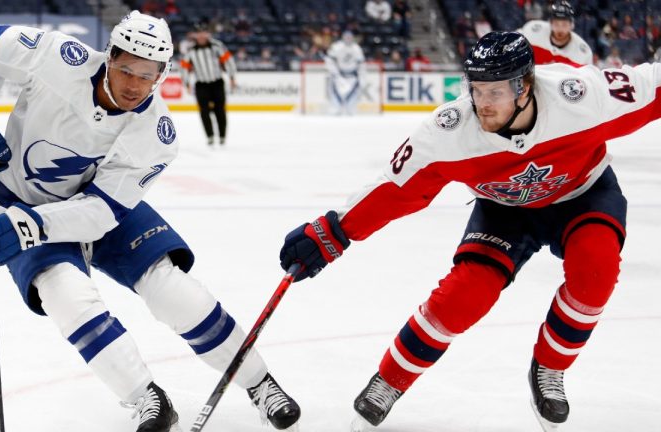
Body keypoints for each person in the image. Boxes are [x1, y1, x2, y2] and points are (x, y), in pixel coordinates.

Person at [279, 31, 661, 431]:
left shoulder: (581, 97)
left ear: (524, 86)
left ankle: (550, 367)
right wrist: (333, 232)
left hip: (583, 192)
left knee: (595, 274)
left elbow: (651, 84)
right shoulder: (450, 131)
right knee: (464, 295)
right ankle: (389, 380)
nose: (482, 103)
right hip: (505, 209)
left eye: (495, 92)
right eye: (476, 89)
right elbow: (393, 188)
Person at [0, 11, 300, 432]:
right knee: (68, 299)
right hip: (20, 197)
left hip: (99, 207)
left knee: (172, 290)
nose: (134, 85)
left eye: (147, 75)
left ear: (161, 75)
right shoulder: (61, 57)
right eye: (126, 69)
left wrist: (27, 227)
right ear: (109, 56)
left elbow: (99, 212)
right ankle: (146, 398)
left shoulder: (157, 133)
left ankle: (259, 383)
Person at [180, 23, 236, 147]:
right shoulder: (191, 50)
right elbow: (184, 67)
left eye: (204, 32)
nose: (201, 35)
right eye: (198, 32)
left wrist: (232, 77)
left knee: (220, 110)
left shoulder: (217, 46)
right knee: (204, 112)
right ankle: (210, 136)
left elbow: (228, 61)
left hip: (217, 83)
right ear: (195, 35)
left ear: (208, 33)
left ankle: (222, 136)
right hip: (201, 85)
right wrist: (187, 83)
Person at [519, 0, 593, 66]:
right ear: (550, 23)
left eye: (564, 25)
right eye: (556, 24)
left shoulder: (582, 53)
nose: (560, 29)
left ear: (571, 25)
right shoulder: (532, 31)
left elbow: (585, 78)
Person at [324, 30, 366, 115]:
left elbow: (361, 64)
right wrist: (334, 72)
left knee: (352, 97)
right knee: (335, 95)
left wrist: (362, 75)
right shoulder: (336, 47)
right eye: (346, 37)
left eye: (350, 37)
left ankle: (350, 109)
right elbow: (329, 60)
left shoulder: (357, 48)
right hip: (339, 75)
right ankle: (335, 109)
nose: (348, 39)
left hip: (352, 76)